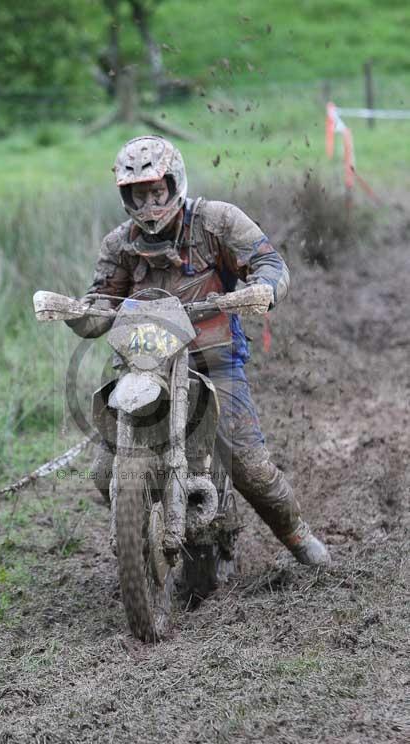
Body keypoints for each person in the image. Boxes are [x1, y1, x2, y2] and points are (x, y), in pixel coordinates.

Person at [67, 135, 330, 567]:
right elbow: (101, 301)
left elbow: (270, 263)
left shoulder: (216, 222)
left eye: (156, 191)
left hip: (214, 357)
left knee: (247, 463)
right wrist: (79, 313)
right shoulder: (119, 244)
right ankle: (142, 525)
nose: (150, 204)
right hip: (144, 363)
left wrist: (262, 289)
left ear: (174, 184)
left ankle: (297, 536)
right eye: (139, 194)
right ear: (125, 194)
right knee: (101, 470)